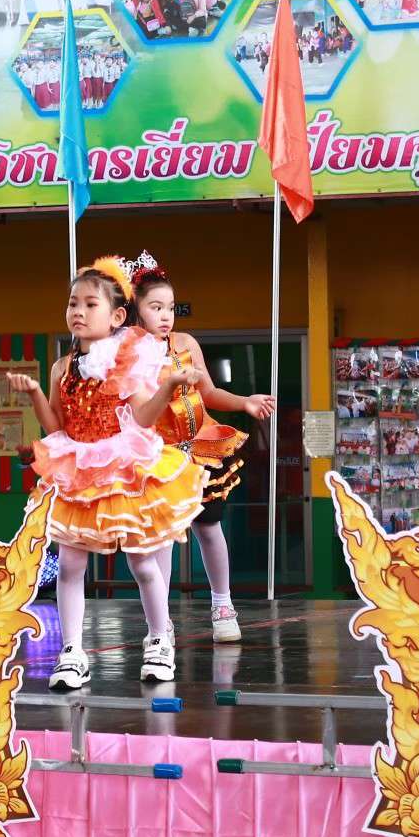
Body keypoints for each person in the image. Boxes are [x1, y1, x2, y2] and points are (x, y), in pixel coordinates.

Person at [7, 257, 204, 686]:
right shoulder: (62, 367)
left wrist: (169, 386)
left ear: (116, 316)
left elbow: (144, 418)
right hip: (78, 466)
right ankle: (72, 651)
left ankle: (159, 640)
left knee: (143, 563)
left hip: (121, 464)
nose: (78, 311)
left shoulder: (127, 359)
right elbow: (56, 427)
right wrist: (36, 392)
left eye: (89, 304)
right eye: (73, 303)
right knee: (70, 564)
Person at [129, 254, 275, 641]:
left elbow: (208, 393)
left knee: (209, 527)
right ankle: (160, 621)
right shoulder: (127, 352)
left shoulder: (186, 343)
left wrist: (244, 402)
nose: (165, 316)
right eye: (155, 307)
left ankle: (222, 604)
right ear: (136, 309)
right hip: (158, 457)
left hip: (199, 450)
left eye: (170, 308)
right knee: (161, 538)